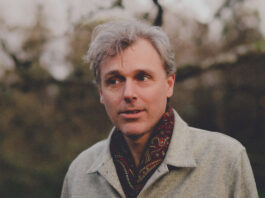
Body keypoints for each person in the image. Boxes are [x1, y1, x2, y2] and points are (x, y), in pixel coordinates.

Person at [61, 20, 258, 198]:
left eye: (143, 77)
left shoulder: (225, 160)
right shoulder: (79, 173)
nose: (128, 93)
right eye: (114, 80)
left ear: (169, 84)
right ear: (101, 92)